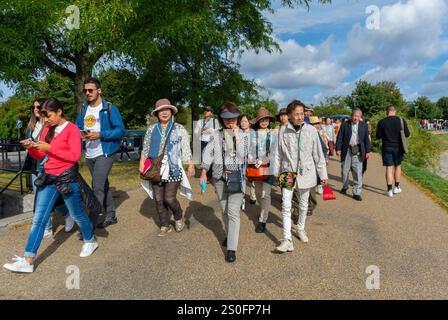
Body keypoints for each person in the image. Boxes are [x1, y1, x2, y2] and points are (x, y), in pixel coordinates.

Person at [4, 99, 99, 273]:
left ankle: (90, 240)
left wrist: (50, 148)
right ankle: (28, 260)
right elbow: (41, 155)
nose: (46, 120)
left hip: (67, 179)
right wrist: (31, 148)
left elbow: (74, 156)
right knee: (39, 219)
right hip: (48, 178)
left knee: (78, 215)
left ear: (59, 112)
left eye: (48, 116)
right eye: (44, 116)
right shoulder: (48, 129)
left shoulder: (72, 129)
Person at [273, 100, 328, 253]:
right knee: (286, 205)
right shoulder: (283, 131)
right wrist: (276, 173)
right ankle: (287, 239)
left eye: (301, 114)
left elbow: (318, 154)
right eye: (296, 114)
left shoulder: (311, 130)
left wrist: (323, 174)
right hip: (288, 172)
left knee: (304, 204)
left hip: (307, 172)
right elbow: (277, 154)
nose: (299, 117)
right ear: (289, 115)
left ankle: (300, 229)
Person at [200, 102, 248, 263]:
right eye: (226, 119)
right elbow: (208, 153)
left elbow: (244, 155)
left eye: (233, 118)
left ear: (237, 118)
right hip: (219, 177)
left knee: (233, 212)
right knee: (224, 210)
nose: (230, 121)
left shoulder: (244, 135)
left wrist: (236, 136)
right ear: (221, 119)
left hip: (236, 177)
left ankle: (231, 249)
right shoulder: (216, 134)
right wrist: (204, 171)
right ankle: (229, 235)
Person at [75, 77, 126, 229]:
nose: (88, 93)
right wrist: (80, 134)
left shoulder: (110, 108)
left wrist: (100, 134)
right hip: (89, 153)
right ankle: (111, 214)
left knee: (96, 186)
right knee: (102, 185)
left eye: (91, 90)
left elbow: (120, 130)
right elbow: (77, 127)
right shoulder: (84, 109)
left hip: (106, 152)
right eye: (85, 90)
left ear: (99, 90)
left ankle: (89, 224)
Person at [140, 99, 195, 236]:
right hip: (155, 167)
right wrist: (141, 163)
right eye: (161, 111)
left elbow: (185, 149)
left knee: (169, 198)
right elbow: (145, 148)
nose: (164, 113)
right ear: (157, 114)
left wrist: (190, 165)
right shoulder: (151, 129)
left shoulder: (179, 128)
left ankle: (178, 215)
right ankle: (164, 225)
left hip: (173, 167)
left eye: (167, 110)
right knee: (158, 199)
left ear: (171, 111)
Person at [24, 98, 74, 239]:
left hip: (48, 166)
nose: (35, 109)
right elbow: (33, 147)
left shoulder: (51, 125)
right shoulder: (31, 126)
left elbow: (55, 147)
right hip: (35, 165)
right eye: (33, 107)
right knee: (41, 198)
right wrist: (28, 145)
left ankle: (64, 216)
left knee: (51, 198)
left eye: (38, 107)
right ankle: (50, 225)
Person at [248, 108, 276, 233]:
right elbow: (248, 149)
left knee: (266, 194)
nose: (264, 122)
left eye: (266, 119)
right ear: (257, 121)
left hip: (269, 166)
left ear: (269, 121)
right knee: (259, 193)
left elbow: (277, 151)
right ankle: (263, 210)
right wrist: (252, 159)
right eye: (261, 120)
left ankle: (262, 220)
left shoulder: (273, 133)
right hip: (256, 166)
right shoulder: (251, 134)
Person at [335, 108, 371, 201]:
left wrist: (368, 151)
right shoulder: (345, 124)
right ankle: (345, 186)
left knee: (357, 172)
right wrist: (338, 148)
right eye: (355, 116)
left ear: (360, 117)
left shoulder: (363, 125)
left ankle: (356, 193)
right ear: (352, 116)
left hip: (358, 149)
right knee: (344, 171)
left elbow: (366, 139)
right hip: (347, 149)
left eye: (358, 116)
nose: (356, 118)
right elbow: (339, 137)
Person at [376, 105, 410, 197]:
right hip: (399, 147)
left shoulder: (381, 122)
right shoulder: (401, 120)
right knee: (398, 166)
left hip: (386, 147)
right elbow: (407, 134)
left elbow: (378, 136)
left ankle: (389, 190)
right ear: (395, 111)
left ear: (387, 112)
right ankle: (397, 187)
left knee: (389, 168)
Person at [238, 114, 256, 209]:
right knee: (241, 178)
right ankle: (242, 198)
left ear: (249, 123)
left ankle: (253, 195)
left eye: (245, 121)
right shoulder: (237, 132)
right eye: (242, 121)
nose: (243, 123)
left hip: (250, 159)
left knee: (252, 178)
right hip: (240, 159)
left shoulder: (253, 133)